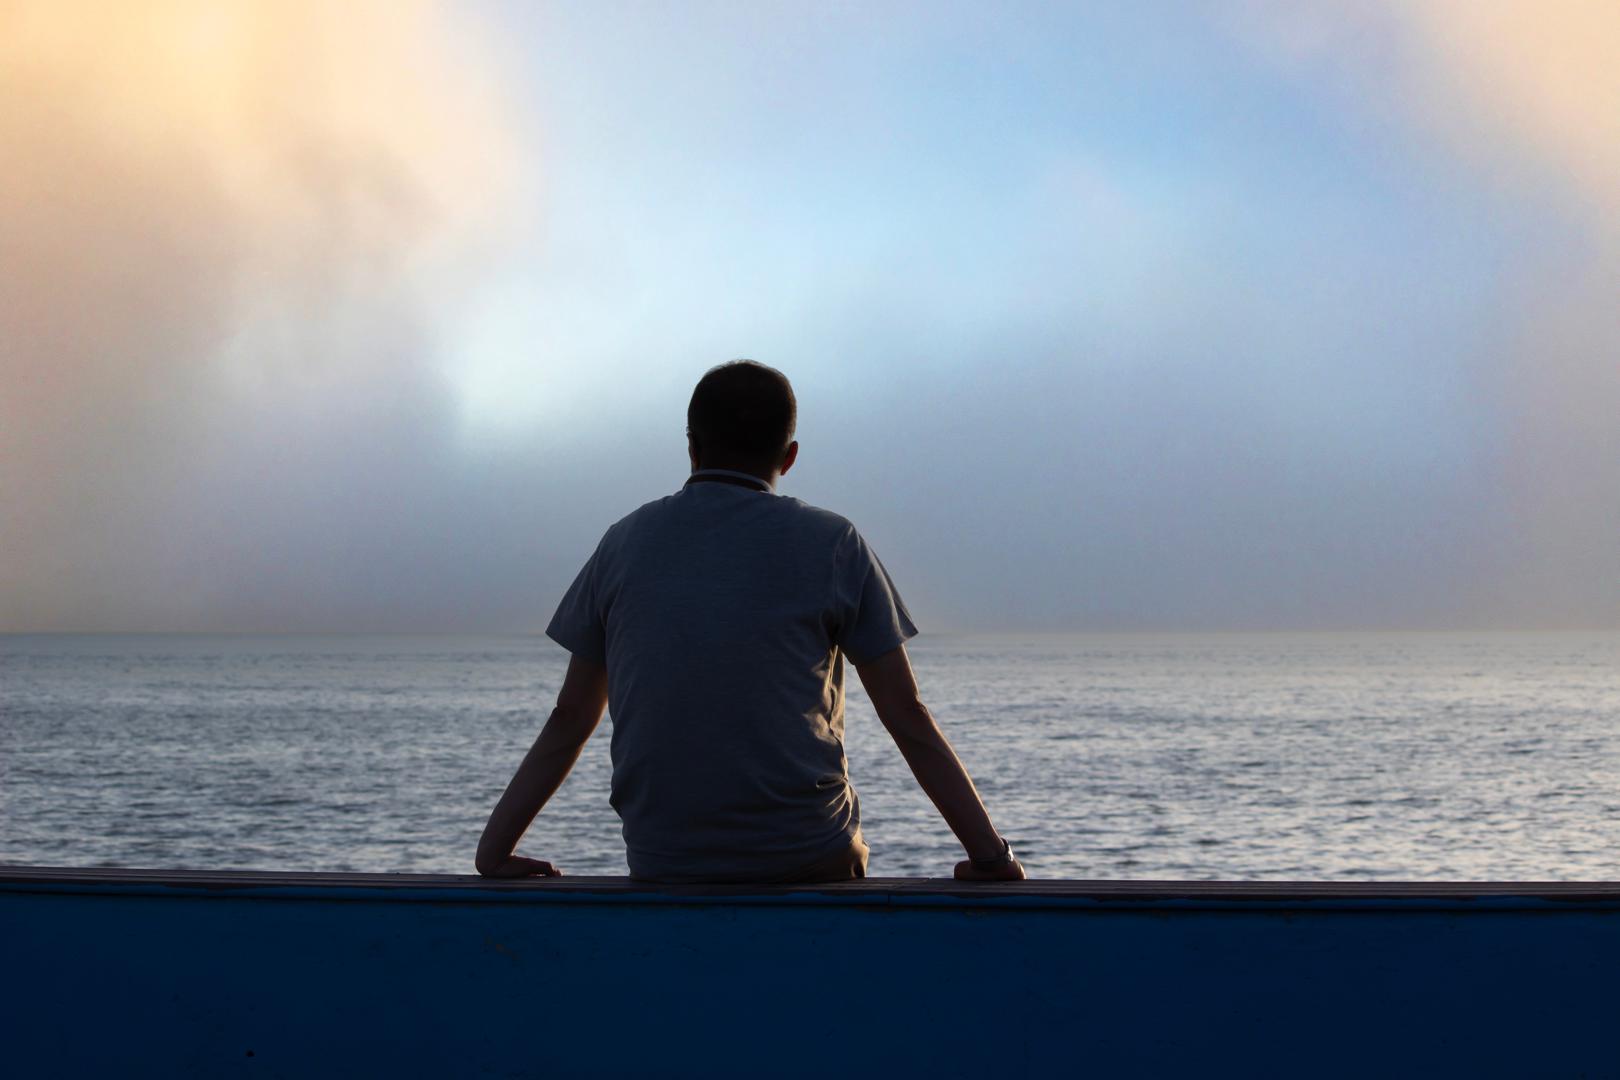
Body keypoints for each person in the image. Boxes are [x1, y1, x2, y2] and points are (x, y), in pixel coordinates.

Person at [475, 360, 1024, 883]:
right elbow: (906, 714)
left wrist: (493, 852)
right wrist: (991, 856)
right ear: (789, 457)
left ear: (690, 447)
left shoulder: (623, 543)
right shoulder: (832, 544)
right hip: (808, 857)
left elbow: (571, 715)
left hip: (666, 862)